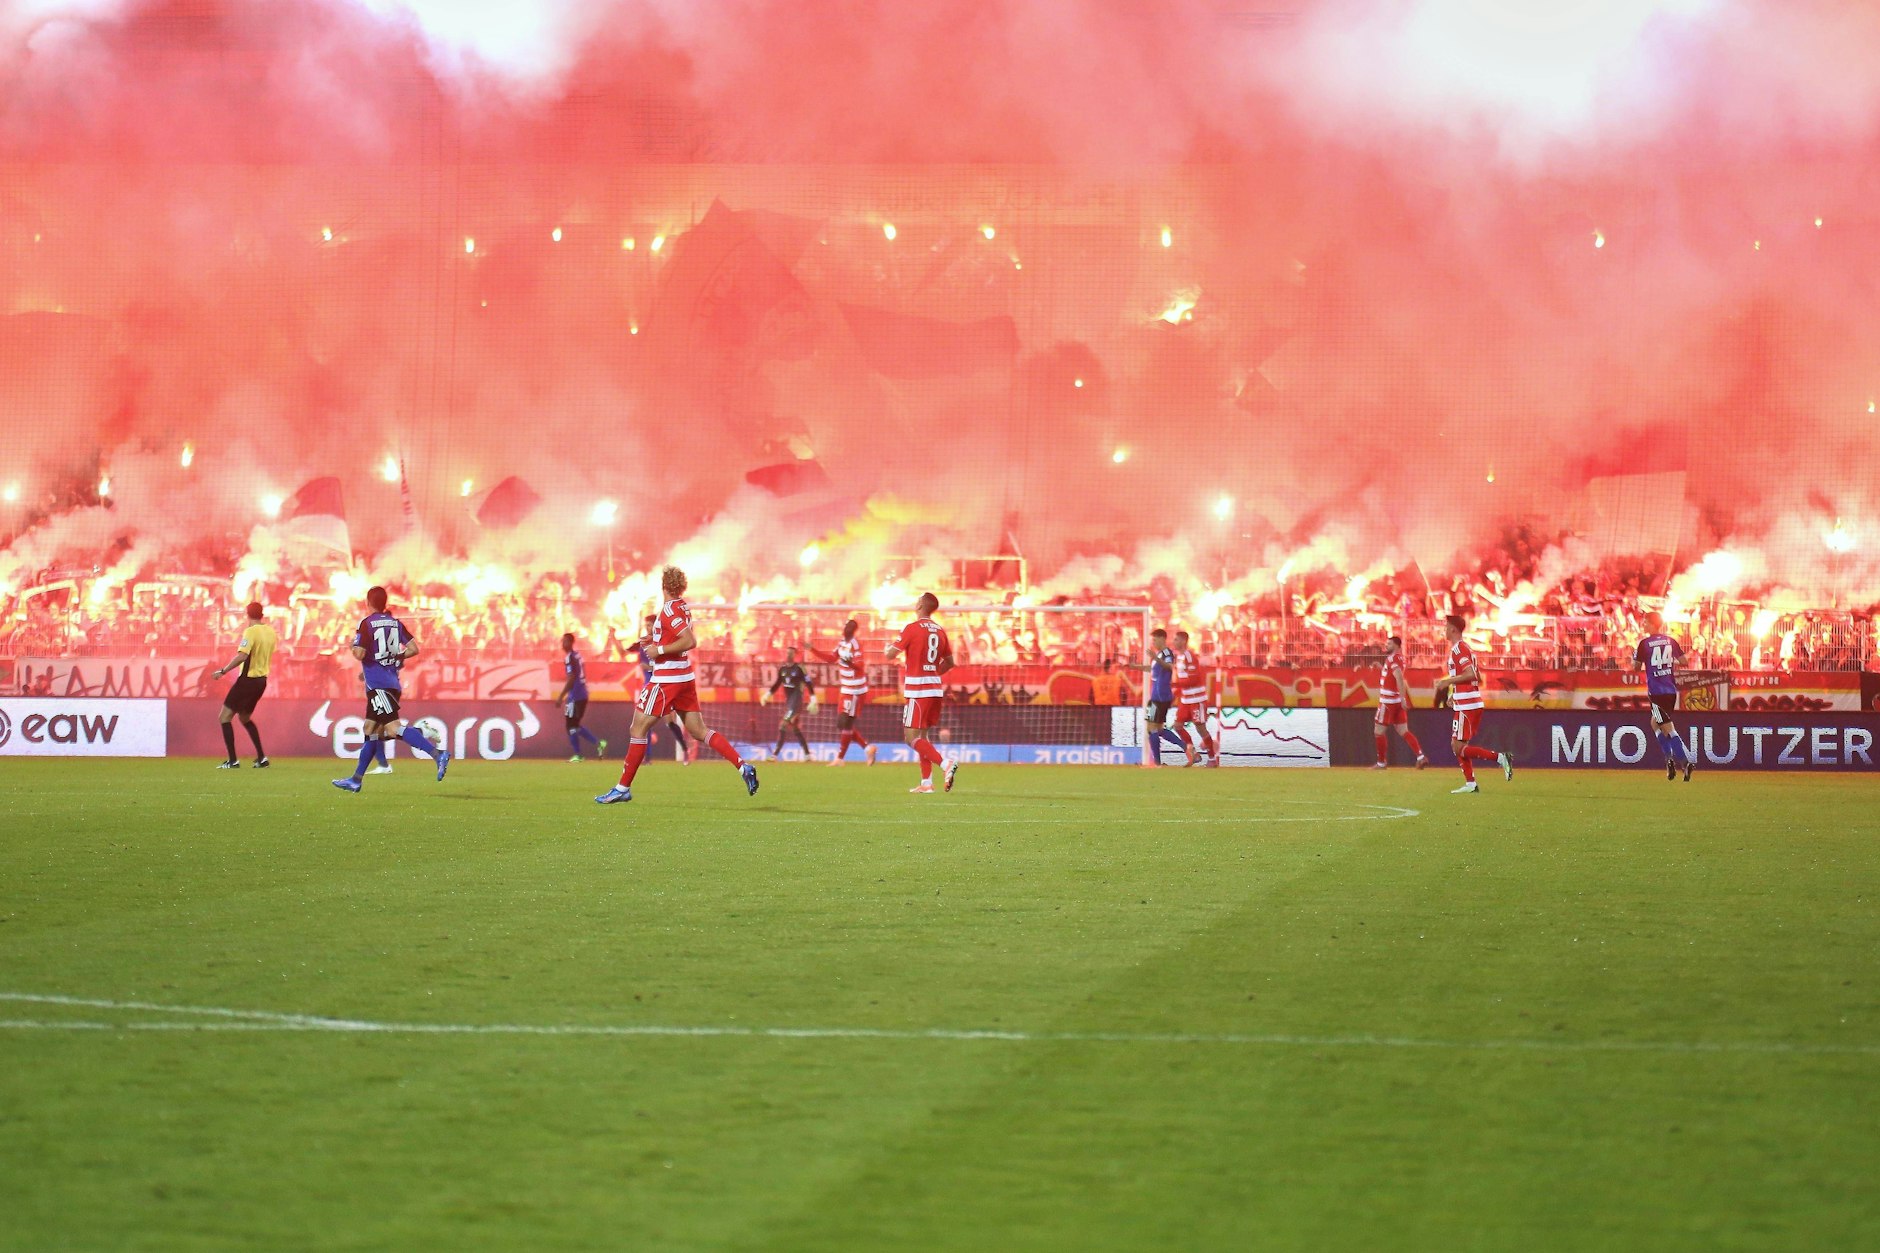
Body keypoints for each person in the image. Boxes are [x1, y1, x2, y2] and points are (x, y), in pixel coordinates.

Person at [596, 565, 758, 805]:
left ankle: (622, 788)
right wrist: (653, 640)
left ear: (663, 586)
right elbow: (678, 635)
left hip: (666, 680)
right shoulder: (681, 606)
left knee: (637, 728)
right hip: (684, 678)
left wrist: (658, 649)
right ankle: (743, 767)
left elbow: (690, 640)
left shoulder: (670, 609)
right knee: (699, 731)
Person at [331, 586, 449, 793]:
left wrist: (352, 645)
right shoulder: (395, 623)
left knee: (393, 728)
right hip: (391, 682)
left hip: (379, 685)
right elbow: (414, 649)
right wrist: (396, 658)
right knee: (371, 729)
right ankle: (356, 780)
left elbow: (358, 654)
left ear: (368, 603)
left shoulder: (366, 624)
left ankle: (437, 754)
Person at [882, 592, 958, 794]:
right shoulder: (940, 631)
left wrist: (886, 648)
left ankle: (945, 764)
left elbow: (891, 655)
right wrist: (933, 672)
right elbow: (950, 662)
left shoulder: (912, 628)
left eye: (917, 601)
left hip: (918, 690)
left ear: (920, 606)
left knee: (910, 737)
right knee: (923, 736)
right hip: (934, 689)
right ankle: (926, 783)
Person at [1432, 614, 1511, 795]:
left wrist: (1447, 682)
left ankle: (1500, 758)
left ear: (1453, 629)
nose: (1444, 630)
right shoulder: (1464, 649)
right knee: (1458, 746)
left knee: (1457, 747)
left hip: (1468, 705)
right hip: (1467, 702)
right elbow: (1478, 676)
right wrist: (1454, 693)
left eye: (1446, 627)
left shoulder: (1459, 649)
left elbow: (1471, 675)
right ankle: (1470, 784)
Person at [211, 601, 275, 769]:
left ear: (247, 615)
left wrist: (223, 671)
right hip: (262, 681)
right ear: (262, 614)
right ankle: (261, 758)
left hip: (248, 680)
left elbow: (242, 656)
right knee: (244, 717)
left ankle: (233, 761)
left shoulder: (250, 632)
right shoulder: (270, 632)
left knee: (224, 717)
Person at [1634, 612, 1693, 781]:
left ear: (1653, 624)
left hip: (1656, 693)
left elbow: (1636, 668)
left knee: (1668, 728)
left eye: (1645, 622)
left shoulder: (1644, 644)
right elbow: (1684, 661)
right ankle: (1669, 762)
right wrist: (1666, 663)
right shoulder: (1670, 641)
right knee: (1655, 723)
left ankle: (1685, 761)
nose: (1643, 625)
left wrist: (1635, 657)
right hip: (1670, 691)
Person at [814, 618, 877, 765]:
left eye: (849, 628)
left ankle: (840, 758)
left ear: (853, 630)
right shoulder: (842, 642)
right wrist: (812, 649)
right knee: (842, 724)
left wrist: (850, 663)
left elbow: (860, 666)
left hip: (855, 689)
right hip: (846, 687)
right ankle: (868, 748)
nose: (846, 629)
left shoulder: (856, 644)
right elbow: (831, 658)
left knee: (845, 723)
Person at [1125, 628, 1189, 767]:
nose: (1153, 642)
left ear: (1162, 639)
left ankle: (1157, 762)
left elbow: (1170, 666)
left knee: (1152, 728)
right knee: (1157, 729)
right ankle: (1184, 747)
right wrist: (1136, 667)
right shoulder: (1160, 654)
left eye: (1155, 639)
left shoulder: (1166, 653)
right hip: (1157, 695)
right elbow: (1153, 669)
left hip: (1160, 696)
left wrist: (1155, 658)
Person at [636, 613, 694, 763]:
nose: (648, 628)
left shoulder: (661, 642)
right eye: (646, 625)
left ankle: (684, 749)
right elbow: (623, 651)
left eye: (650, 625)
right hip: (649, 688)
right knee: (644, 722)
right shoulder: (642, 643)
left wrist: (648, 666)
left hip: (664, 685)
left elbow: (665, 663)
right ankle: (646, 758)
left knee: (669, 722)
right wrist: (613, 636)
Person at [1373, 634, 1428, 770]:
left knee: (1378, 732)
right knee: (1403, 730)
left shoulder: (1393, 659)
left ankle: (1381, 763)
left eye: (1389, 644)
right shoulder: (1398, 658)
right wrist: (1382, 668)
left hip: (1388, 701)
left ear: (1396, 645)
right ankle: (1420, 757)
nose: (1386, 645)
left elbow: (1399, 678)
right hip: (1396, 701)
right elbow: (1392, 676)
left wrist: (1404, 698)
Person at [1169, 630, 1219, 767]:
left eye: (1176, 640)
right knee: (1178, 726)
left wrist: (1175, 684)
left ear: (1183, 641)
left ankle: (1212, 759)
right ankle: (1194, 754)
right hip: (1186, 700)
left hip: (1197, 699)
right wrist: (1175, 693)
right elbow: (1182, 680)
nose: (1174, 642)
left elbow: (1194, 678)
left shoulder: (1189, 656)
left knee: (1201, 728)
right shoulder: (1178, 657)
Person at [557, 632, 607, 762]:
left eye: (564, 641)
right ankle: (598, 743)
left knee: (571, 726)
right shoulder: (578, 655)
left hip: (575, 695)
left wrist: (561, 696)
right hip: (582, 694)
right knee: (575, 725)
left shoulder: (569, 657)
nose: (562, 644)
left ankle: (578, 755)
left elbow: (572, 678)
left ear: (569, 642)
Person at [762, 647, 816, 760]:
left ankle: (774, 755)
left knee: (783, 725)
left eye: (791, 653)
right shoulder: (782, 669)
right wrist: (767, 695)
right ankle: (807, 755)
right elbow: (777, 684)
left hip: (796, 702)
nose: (788, 655)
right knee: (795, 727)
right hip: (789, 702)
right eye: (787, 652)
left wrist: (813, 698)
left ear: (794, 655)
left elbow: (808, 682)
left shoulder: (800, 668)